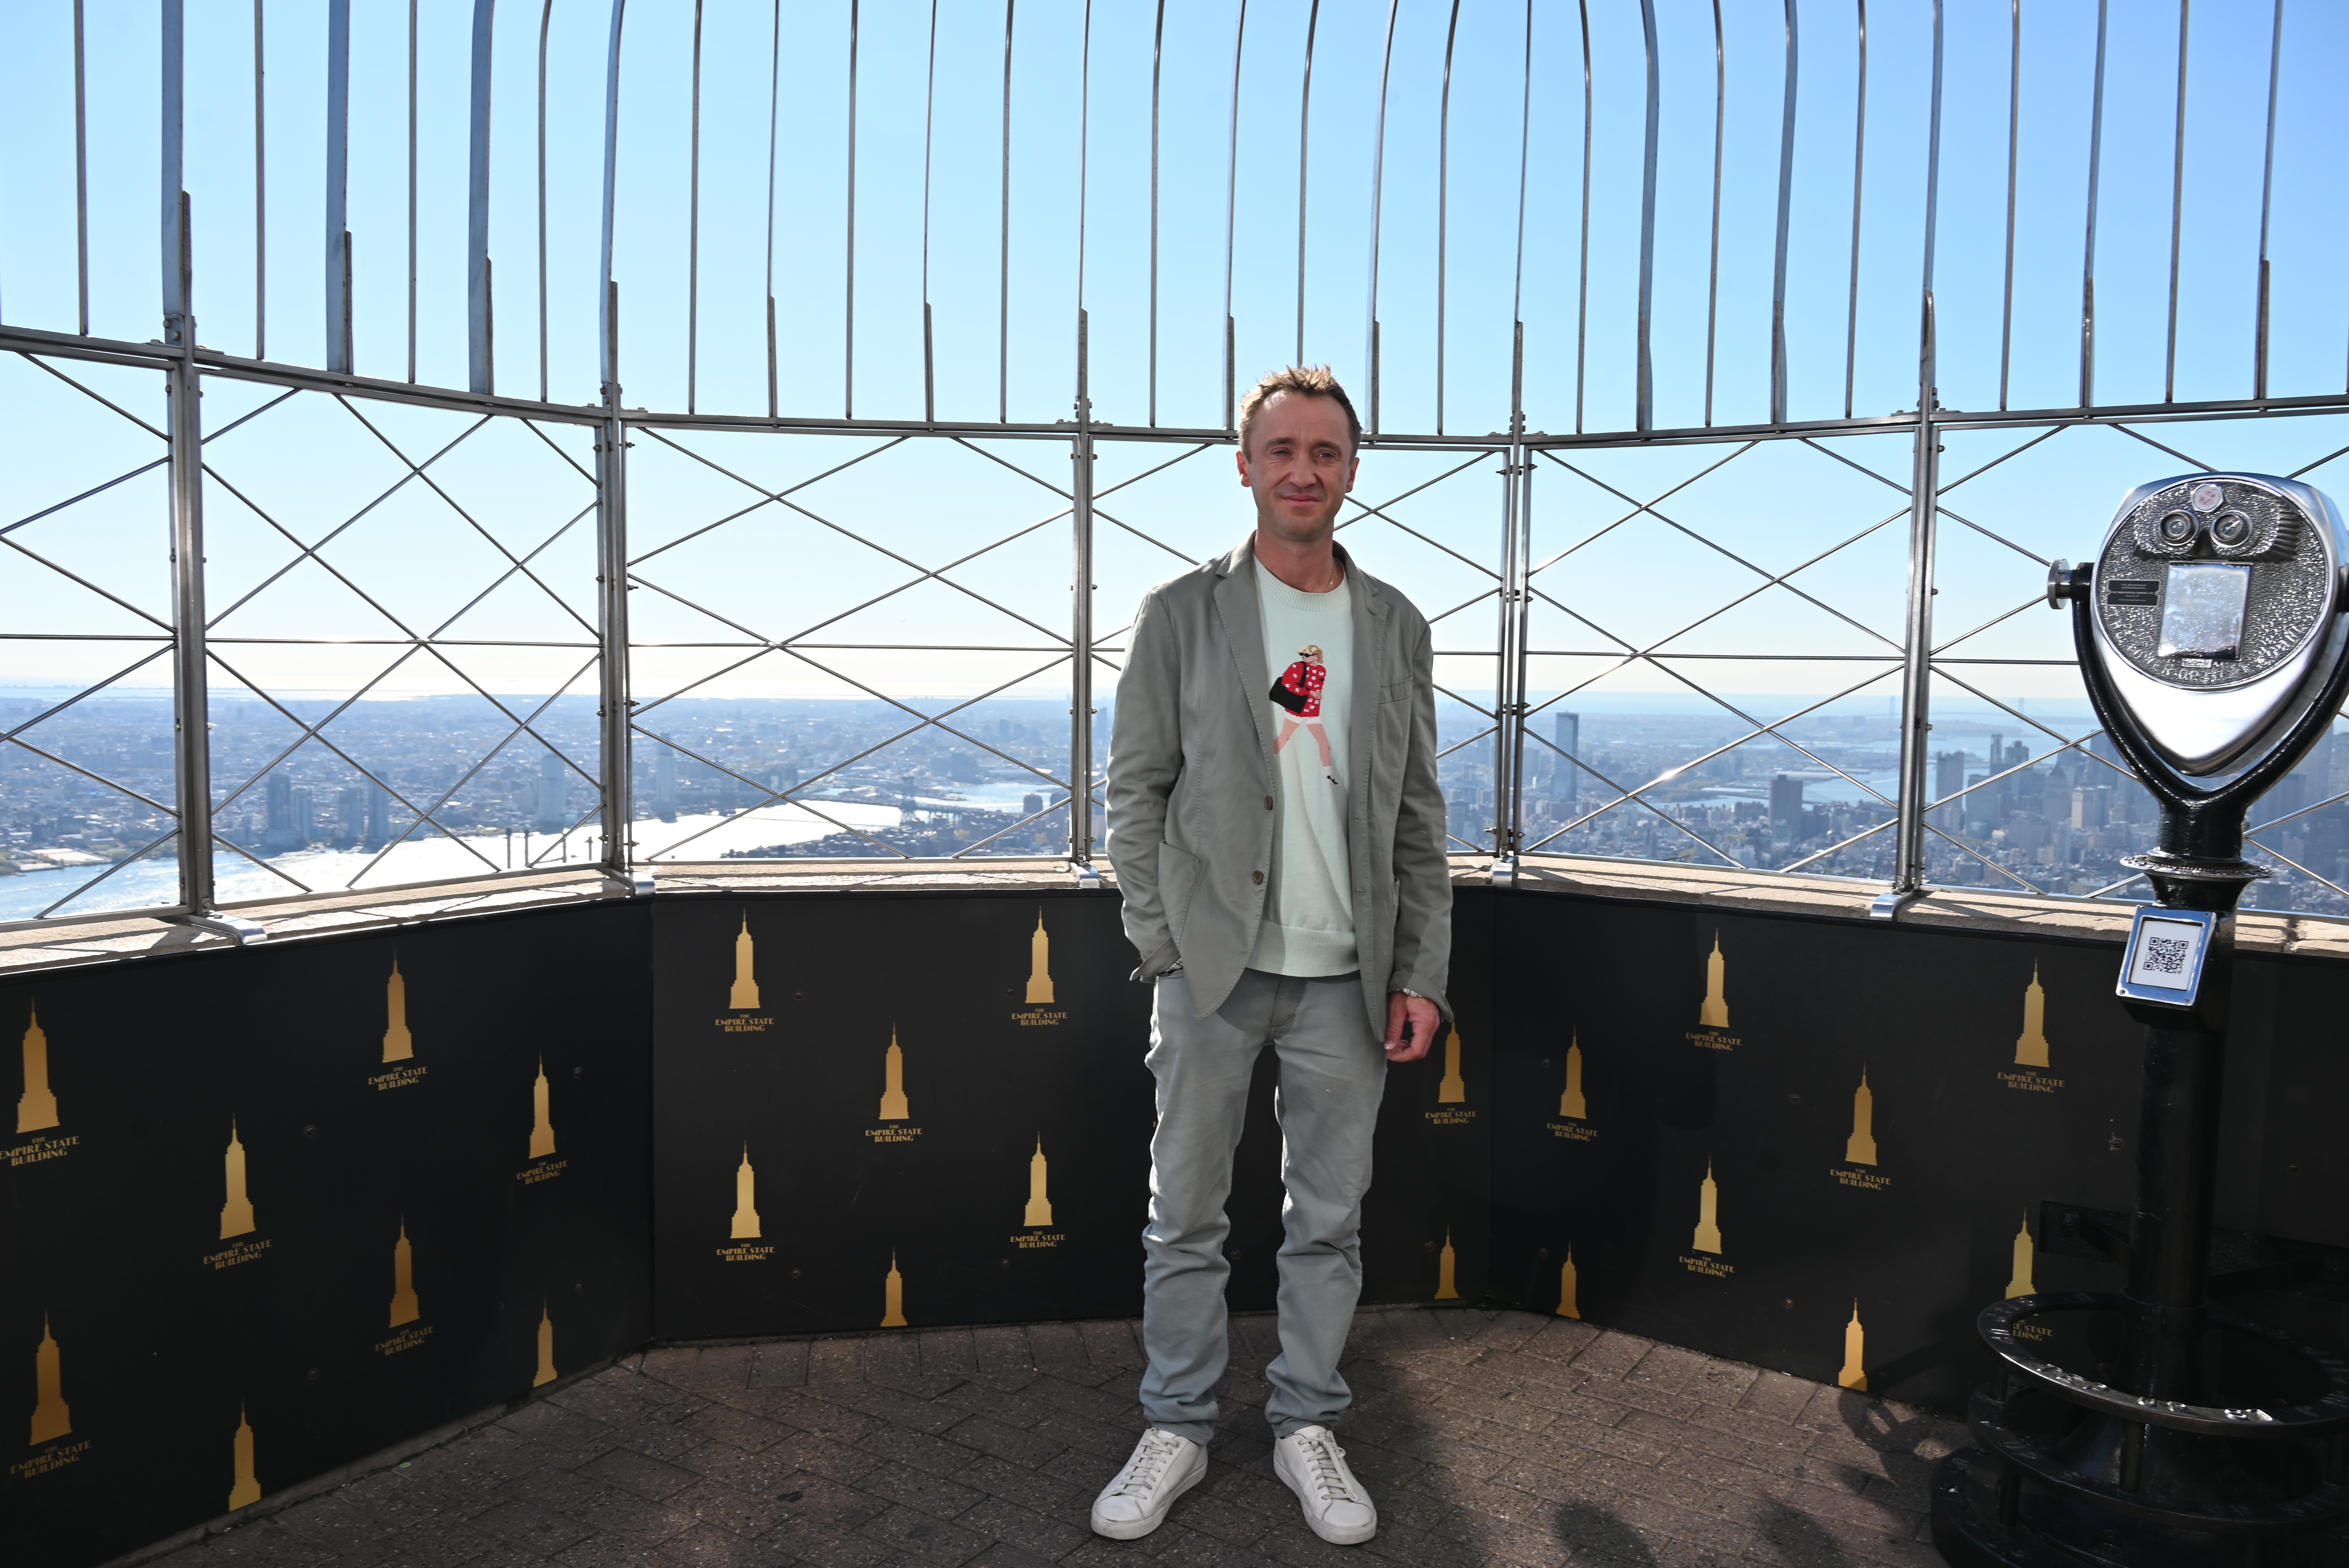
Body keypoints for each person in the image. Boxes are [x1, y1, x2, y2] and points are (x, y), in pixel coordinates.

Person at [1094, 365, 1453, 1546]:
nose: (1305, 471)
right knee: (1184, 1215)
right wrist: (1162, 944)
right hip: (1212, 970)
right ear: (1244, 465)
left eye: (1328, 453)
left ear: (1353, 470)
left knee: (1328, 1221)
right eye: (1283, 450)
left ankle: (1307, 1424)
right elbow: (1135, 792)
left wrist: (1421, 974)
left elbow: (1417, 819)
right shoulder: (1182, 614)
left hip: (1351, 977)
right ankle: (1178, 1428)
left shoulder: (1396, 624)